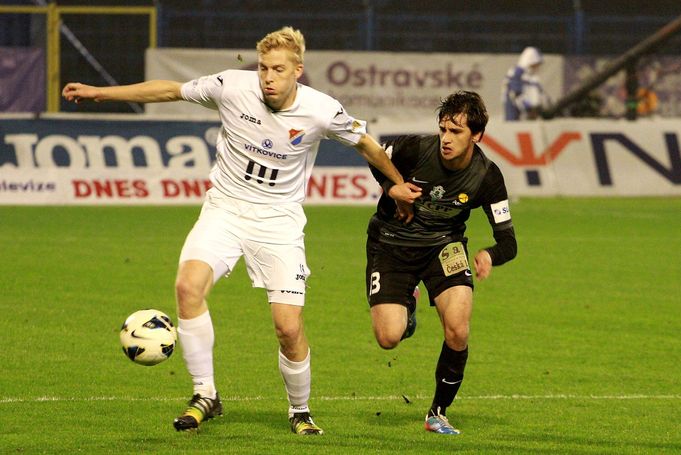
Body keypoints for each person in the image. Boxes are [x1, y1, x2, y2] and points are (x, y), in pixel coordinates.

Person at [63, 26, 420, 434]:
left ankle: (300, 411)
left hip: (279, 221)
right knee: (187, 287)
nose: (268, 77)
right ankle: (205, 394)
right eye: (264, 68)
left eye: (279, 69)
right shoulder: (231, 86)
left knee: (288, 327)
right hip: (225, 210)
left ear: (298, 71)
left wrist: (393, 185)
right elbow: (169, 90)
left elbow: (368, 145)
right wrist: (100, 93)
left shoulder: (322, 110)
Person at [365, 91, 517, 434]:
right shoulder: (414, 149)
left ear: (476, 135)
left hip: (443, 247)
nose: (446, 139)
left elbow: (509, 241)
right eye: (444, 129)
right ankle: (408, 309)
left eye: (456, 132)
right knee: (389, 337)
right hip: (391, 243)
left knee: (458, 329)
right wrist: (394, 188)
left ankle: (437, 413)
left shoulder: (487, 177)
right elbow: (375, 158)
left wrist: (489, 254)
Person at [501, 46, 548, 120]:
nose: (537, 67)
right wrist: (529, 109)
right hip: (514, 115)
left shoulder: (531, 76)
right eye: (536, 64)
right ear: (531, 61)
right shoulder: (516, 73)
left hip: (526, 116)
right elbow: (515, 94)